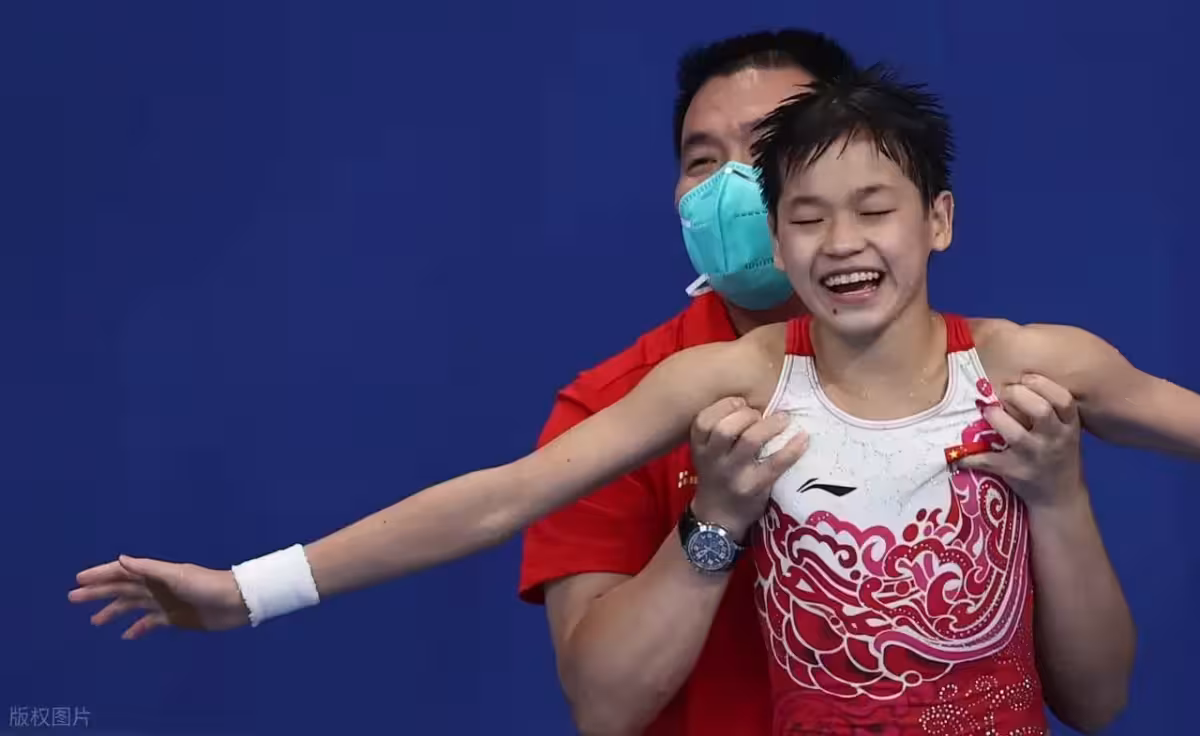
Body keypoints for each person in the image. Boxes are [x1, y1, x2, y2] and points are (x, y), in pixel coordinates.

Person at [71, 63, 1200, 733]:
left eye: (875, 210)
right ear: (776, 240)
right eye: (807, 218)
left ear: (937, 220)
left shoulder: (1027, 363)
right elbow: (501, 497)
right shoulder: (734, 378)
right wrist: (247, 592)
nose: (843, 243)